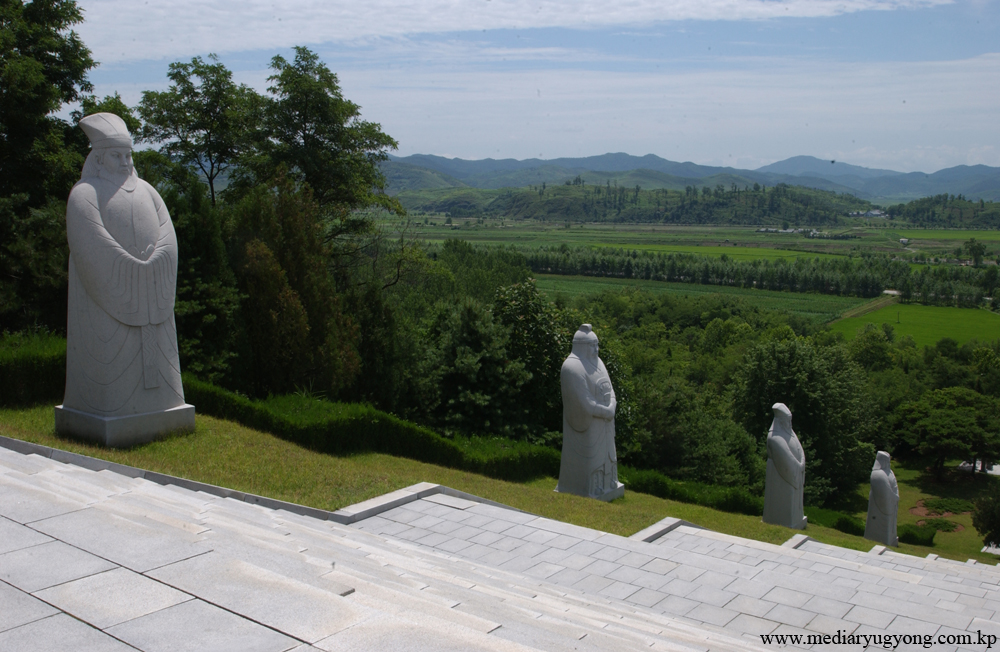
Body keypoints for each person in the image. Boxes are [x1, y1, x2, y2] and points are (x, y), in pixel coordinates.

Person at [56, 113, 191, 444]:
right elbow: (90, 241)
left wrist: (155, 262)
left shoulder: (148, 190)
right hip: (106, 298)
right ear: (99, 158)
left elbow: (168, 235)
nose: (124, 161)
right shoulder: (85, 193)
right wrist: (131, 270)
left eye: (128, 155)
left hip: (152, 284)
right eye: (116, 155)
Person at [556, 324, 624, 501]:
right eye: (592, 345)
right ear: (581, 346)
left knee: (609, 457)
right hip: (589, 425)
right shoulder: (572, 367)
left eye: (597, 344)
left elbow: (611, 389)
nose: (596, 349)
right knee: (592, 462)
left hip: (605, 423)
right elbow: (584, 402)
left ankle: (609, 484)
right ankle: (592, 488)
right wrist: (605, 411)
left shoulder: (599, 362)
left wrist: (612, 406)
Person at [762, 403, 807, 529]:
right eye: (788, 421)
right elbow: (787, 460)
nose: (790, 424)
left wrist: (802, 462)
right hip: (782, 475)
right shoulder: (774, 438)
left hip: (795, 469)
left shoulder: (788, 432)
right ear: (781, 422)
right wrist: (798, 466)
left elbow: (799, 448)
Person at [865, 451, 899, 546]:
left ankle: (891, 540)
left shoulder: (889, 472)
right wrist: (893, 497)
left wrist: (895, 496)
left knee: (890, 524)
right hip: (882, 504)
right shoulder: (878, 474)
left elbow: (894, 486)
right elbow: (884, 490)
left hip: (892, 502)